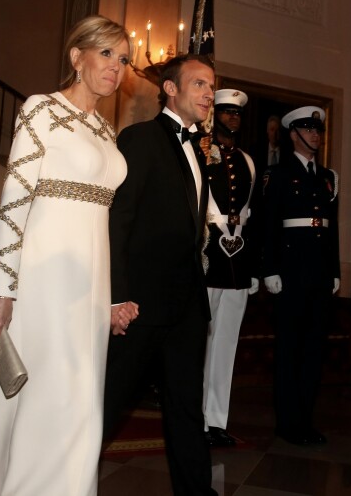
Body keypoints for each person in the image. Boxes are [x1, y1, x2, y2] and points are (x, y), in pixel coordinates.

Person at [0, 15, 132, 496]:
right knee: (52, 401)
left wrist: (110, 301)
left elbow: (103, 226)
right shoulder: (41, 110)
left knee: (83, 402)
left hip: (90, 288)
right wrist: (2, 289)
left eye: (123, 59)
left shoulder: (106, 130)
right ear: (77, 57)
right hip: (45, 279)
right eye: (106, 54)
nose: (117, 67)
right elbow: (14, 202)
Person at [103, 54, 218, 496]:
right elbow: (119, 220)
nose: (210, 93)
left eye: (211, 85)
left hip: (187, 305)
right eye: (200, 84)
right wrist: (118, 295)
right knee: (111, 400)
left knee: (187, 407)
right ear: (170, 89)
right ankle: (62, 481)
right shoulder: (140, 138)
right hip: (141, 304)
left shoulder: (199, 151)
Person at [261, 105, 340, 446]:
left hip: (319, 274)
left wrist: (335, 270)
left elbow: (331, 227)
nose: (315, 135)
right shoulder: (278, 174)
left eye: (317, 130)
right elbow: (267, 225)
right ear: (293, 134)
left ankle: (305, 420)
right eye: (308, 130)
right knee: (289, 349)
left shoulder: (326, 177)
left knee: (313, 350)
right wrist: (268, 270)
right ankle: (287, 422)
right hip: (290, 272)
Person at [201, 88, 259, 448]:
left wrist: (253, 267)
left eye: (237, 114)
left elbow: (254, 217)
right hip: (208, 256)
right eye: (226, 112)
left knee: (225, 345)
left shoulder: (248, 162)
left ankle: (216, 420)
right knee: (200, 342)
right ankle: (194, 416)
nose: (233, 118)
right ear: (214, 115)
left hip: (237, 262)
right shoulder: (200, 154)